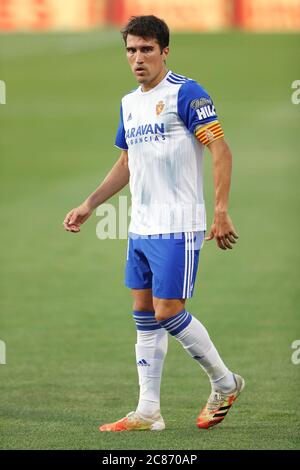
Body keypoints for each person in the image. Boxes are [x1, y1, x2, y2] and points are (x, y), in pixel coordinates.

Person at [63, 15, 245, 432]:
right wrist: (89, 204)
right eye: (131, 50)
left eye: (147, 49)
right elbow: (127, 162)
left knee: (168, 312)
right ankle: (148, 411)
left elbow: (220, 148)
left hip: (178, 224)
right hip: (140, 226)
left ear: (165, 51)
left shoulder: (186, 93)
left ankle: (225, 382)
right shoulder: (130, 103)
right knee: (143, 313)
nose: (138, 58)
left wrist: (220, 210)